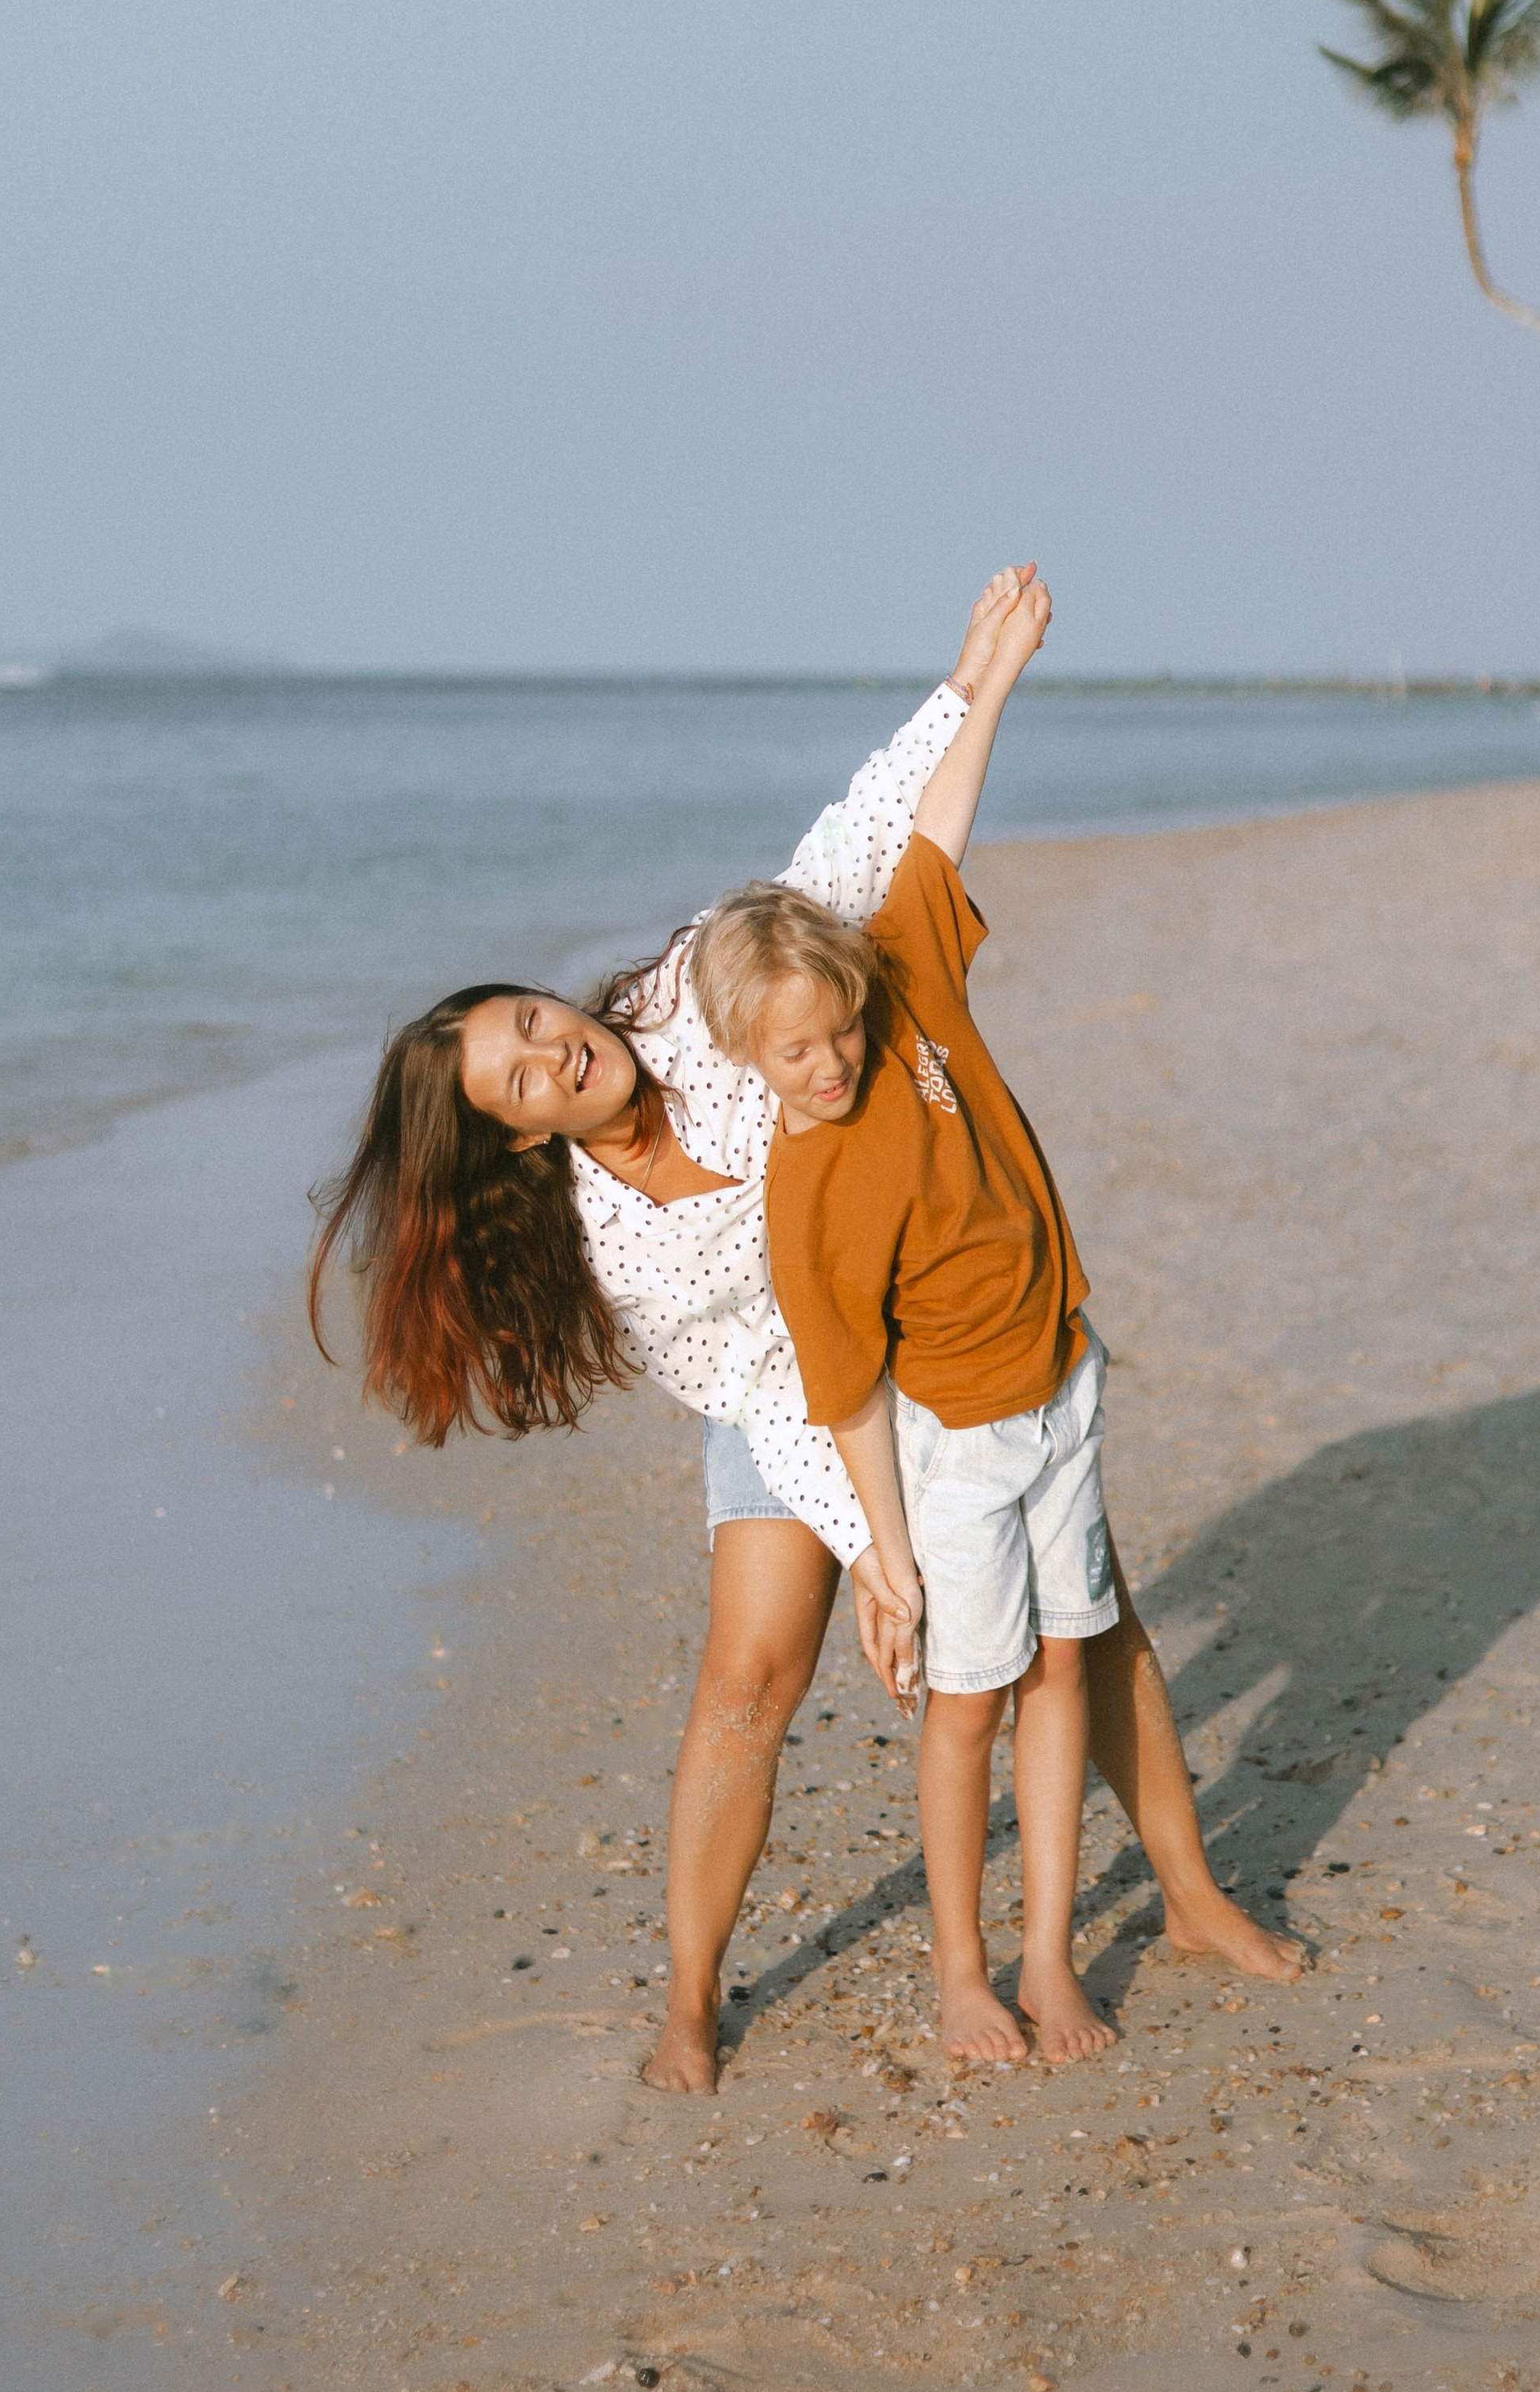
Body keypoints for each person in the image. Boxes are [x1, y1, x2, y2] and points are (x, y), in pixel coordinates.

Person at [310, 565, 1298, 2097]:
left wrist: (970, 682)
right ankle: (692, 1997)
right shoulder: (610, 1247)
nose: (557, 1053)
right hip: (793, 1399)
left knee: (1085, 1626)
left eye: (534, 1020)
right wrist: (878, 1550)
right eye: (520, 1078)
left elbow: (854, 845)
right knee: (751, 1676)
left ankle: (1188, 1891)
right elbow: (765, 1377)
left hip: (925, 1341)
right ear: (513, 1137)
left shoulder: (696, 996)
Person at [689, 572, 1120, 2066]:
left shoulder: (904, 978)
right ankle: (961, 1972)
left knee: (1064, 1667)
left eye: (839, 1029)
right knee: (970, 1702)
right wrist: (885, 1553)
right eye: (795, 1052)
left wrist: (993, 673)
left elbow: (937, 827)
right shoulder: (806, 1190)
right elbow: (850, 1391)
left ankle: (1050, 1957)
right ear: (749, 1054)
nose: (830, 1062)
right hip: (958, 1448)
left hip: (1063, 1380)